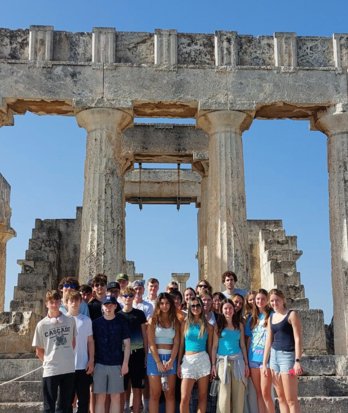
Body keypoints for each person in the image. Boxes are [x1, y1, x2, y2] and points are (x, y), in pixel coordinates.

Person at [32, 290, 77, 413]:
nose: (55, 304)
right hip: (51, 369)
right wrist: (50, 360)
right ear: (47, 304)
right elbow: (39, 350)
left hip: (68, 368)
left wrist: (65, 355)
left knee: (65, 405)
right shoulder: (41, 325)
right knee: (49, 407)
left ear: (60, 302)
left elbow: (73, 342)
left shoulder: (70, 320)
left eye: (57, 301)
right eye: (51, 302)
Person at [262, 289, 303, 413]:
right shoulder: (271, 317)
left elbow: (298, 338)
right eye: (272, 301)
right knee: (280, 398)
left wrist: (297, 361)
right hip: (274, 358)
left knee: (291, 399)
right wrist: (264, 363)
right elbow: (269, 341)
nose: (274, 303)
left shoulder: (291, 315)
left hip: (288, 357)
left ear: (283, 300)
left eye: (277, 300)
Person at [92, 295, 131, 413]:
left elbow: (127, 344)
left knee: (115, 397)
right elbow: (91, 344)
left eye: (111, 305)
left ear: (115, 306)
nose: (108, 307)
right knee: (100, 397)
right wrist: (92, 362)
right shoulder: (96, 323)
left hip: (116, 365)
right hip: (99, 364)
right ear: (102, 307)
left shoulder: (121, 322)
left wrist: (125, 364)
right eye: (106, 305)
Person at [211, 298, 249, 413]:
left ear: (234, 309)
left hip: (238, 361)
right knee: (224, 396)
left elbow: (242, 346)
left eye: (230, 308)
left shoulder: (239, 326)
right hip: (223, 363)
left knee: (238, 396)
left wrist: (246, 364)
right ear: (222, 310)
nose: (228, 310)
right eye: (225, 308)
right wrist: (213, 365)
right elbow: (214, 347)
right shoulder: (218, 326)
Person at [178, 296, 213, 413]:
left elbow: (210, 347)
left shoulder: (208, 326)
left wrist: (213, 366)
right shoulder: (184, 324)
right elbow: (181, 345)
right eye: (193, 305)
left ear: (202, 307)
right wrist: (179, 364)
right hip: (188, 361)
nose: (196, 308)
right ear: (189, 307)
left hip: (203, 360)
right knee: (184, 398)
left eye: (198, 305)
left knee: (202, 397)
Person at [147, 292, 180, 413]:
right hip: (154, 359)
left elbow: (176, 343)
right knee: (155, 394)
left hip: (170, 358)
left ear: (171, 304)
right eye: (161, 303)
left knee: (170, 394)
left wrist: (171, 360)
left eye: (167, 303)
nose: (164, 306)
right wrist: (158, 361)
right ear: (158, 305)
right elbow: (151, 343)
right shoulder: (153, 320)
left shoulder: (175, 321)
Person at [118, 286, 147, 413]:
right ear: (121, 297)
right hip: (122, 356)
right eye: (125, 296)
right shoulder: (117, 315)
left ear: (134, 297)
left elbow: (144, 336)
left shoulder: (139, 314)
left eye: (130, 296)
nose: (128, 298)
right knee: (122, 389)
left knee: (137, 389)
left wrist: (146, 355)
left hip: (138, 355)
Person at [245, 289, 274, 413]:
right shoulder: (251, 318)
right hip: (253, 359)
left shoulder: (271, 315)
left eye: (262, 299)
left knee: (266, 393)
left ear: (266, 300)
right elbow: (248, 340)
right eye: (258, 299)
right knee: (258, 394)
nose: (260, 301)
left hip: (265, 359)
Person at [66, 290, 94, 413]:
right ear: (66, 302)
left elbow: (90, 342)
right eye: (71, 301)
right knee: (67, 400)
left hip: (83, 366)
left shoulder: (87, 320)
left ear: (80, 301)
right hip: (66, 367)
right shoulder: (61, 320)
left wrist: (91, 360)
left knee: (84, 401)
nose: (74, 303)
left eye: (76, 300)